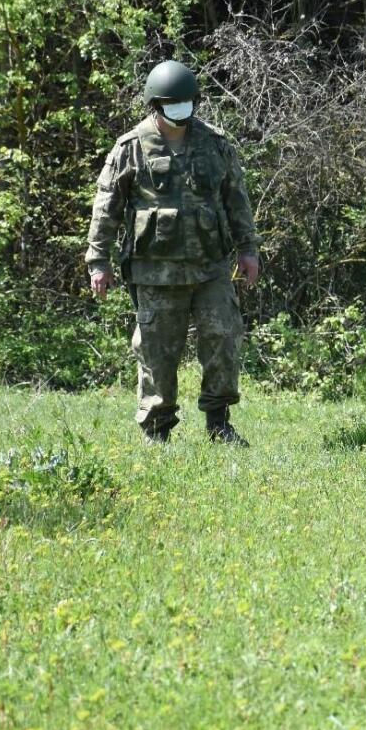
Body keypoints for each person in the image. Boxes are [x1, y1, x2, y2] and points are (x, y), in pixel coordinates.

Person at [86, 59, 261, 444]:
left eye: (187, 102)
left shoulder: (215, 143)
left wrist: (248, 249)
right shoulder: (130, 148)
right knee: (156, 351)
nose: (181, 109)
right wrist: (97, 261)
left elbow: (236, 198)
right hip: (156, 271)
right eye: (172, 102)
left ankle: (219, 422)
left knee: (224, 336)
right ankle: (157, 429)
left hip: (210, 267)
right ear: (155, 103)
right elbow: (106, 205)